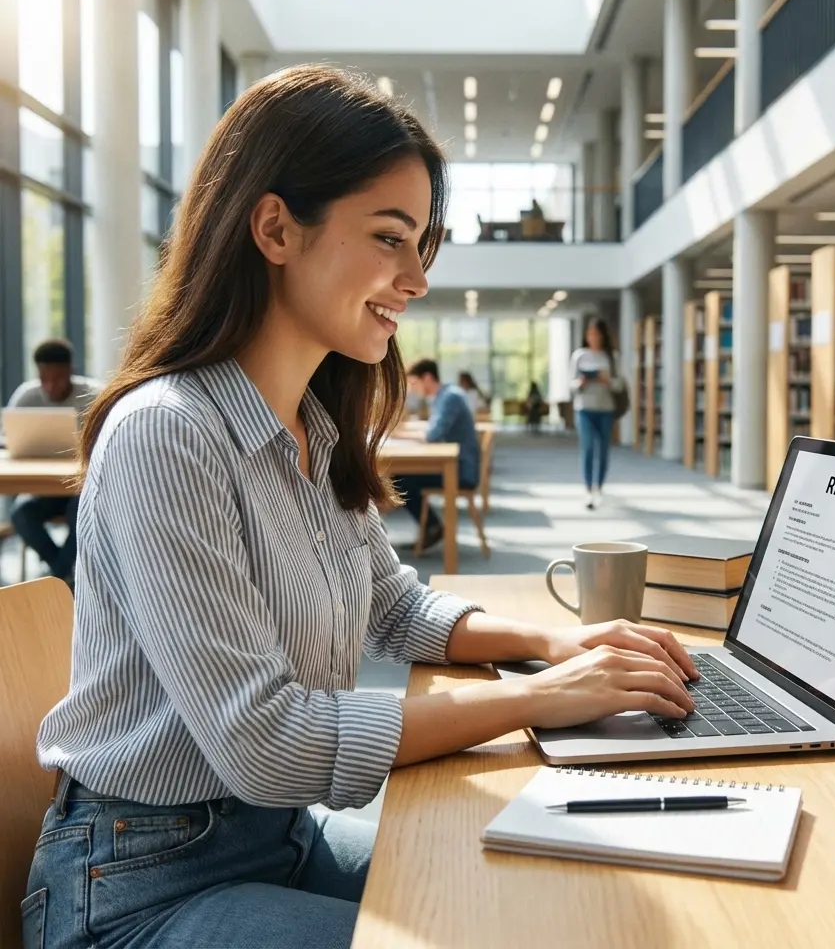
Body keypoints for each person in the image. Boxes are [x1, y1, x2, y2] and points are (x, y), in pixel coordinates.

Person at [24, 65, 699, 949]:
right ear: (274, 227)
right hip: (136, 887)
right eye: (390, 238)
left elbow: (394, 606)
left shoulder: (310, 424)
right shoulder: (168, 434)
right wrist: (542, 702)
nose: (416, 279)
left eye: (423, 244)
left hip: (276, 836)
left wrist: (549, 645)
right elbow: (266, 741)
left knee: (535, 893)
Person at [6, 338, 102, 583]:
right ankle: (63, 576)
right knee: (21, 512)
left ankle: (56, 578)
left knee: (81, 509)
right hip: (44, 489)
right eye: (44, 379)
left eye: (57, 378)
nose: (50, 386)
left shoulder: (94, 396)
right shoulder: (26, 397)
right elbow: (9, 439)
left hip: (80, 486)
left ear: (70, 371)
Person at [399, 359, 479, 549]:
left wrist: (402, 434)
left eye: (413, 383)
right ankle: (431, 527)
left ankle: (433, 527)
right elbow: (433, 431)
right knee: (400, 476)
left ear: (427, 378)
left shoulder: (450, 397)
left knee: (399, 478)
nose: (412, 389)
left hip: (461, 471)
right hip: (455, 464)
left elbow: (434, 435)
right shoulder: (444, 396)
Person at [570, 318, 620, 510]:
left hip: (605, 408)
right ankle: (588, 489)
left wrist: (606, 380)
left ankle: (599, 486)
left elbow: (620, 384)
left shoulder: (611, 357)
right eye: (590, 334)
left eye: (597, 334)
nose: (593, 337)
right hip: (584, 408)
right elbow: (571, 384)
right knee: (588, 448)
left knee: (603, 450)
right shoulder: (579, 356)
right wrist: (580, 383)